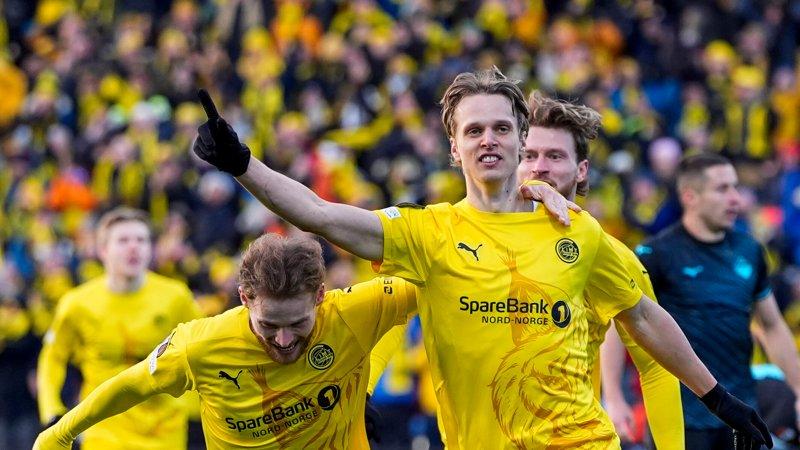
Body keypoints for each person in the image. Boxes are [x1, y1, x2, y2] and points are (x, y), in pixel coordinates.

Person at [192, 69, 772, 449]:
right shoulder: (426, 234)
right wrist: (243, 164)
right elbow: (318, 213)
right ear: (454, 146)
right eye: (473, 130)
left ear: (521, 138)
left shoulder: (576, 228)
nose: (487, 139)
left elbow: (642, 316)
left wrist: (719, 399)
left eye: (500, 127)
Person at [34, 233, 417, 449]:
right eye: (268, 325)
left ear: (320, 296)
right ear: (244, 298)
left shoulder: (351, 311)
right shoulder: (199, 344)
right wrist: (59, 432)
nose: (284, 339)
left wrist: (365, 386)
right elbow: (133, 384)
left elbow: (418, 292)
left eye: (299, 323)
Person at [516, 91, 684, 450]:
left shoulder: (614, 257)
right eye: (528, 155)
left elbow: (656, 367)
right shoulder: (471, 239)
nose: (538, 167)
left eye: (555, 156)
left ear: (582, 170)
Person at [635, 152, 800, 450]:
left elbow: (772, 325)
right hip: (680, 416)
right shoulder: (656, 254)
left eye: (735, 187)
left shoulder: (750, 250)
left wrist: (799, 389)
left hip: (742, 415)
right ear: (690, 197)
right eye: (722, 189)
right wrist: (616, 398)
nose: (736, 198)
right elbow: (622, 322)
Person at [36, 207, 202, 449]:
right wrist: (51, 409)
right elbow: (53, 358)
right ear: (102, 250)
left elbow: (201, 352)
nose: (134, 247)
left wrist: (197, 408)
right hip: (103, 430)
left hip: (165, 429)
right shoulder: (77, 304)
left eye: (141, 240)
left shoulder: (176, 297)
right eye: (123, 240)